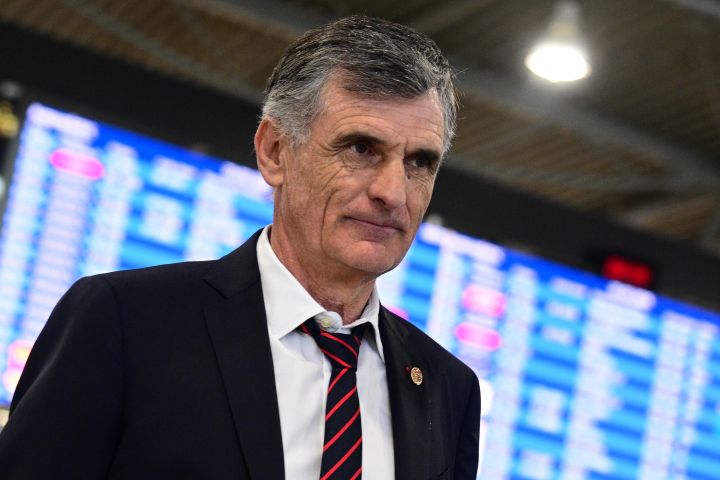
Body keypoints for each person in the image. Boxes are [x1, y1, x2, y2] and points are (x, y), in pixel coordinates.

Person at [0, 15, 480, 480]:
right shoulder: (123, 321)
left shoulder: (448, 389)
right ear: (274, 152)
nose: (393, 192)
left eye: (420, 162)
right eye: (361, 149)